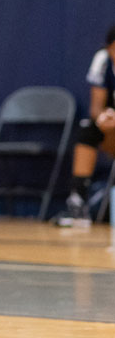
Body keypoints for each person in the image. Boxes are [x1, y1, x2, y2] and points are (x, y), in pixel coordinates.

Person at [53, 26, 115, 228]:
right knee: (88, 130)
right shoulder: (103, 60)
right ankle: (78, 203)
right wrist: (103, 120)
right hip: (111, 125)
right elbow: (96, 107)